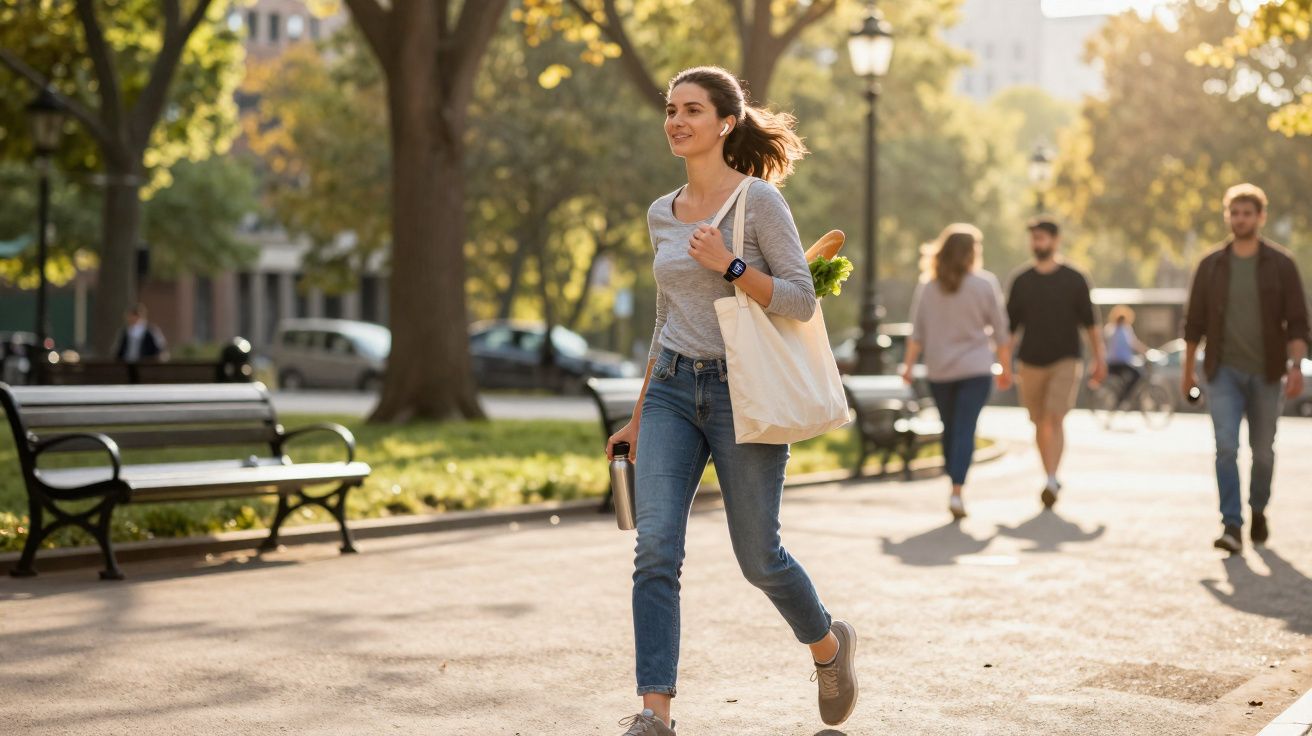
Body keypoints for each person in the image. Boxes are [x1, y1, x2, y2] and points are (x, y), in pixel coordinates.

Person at [605, 66, 856, 735]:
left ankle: (828, 647)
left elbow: (801, 298)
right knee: (655, 547)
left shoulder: (759, 204)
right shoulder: (662, 212)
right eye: (670, 109)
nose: (677, 121)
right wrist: (636, 416)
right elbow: (665, 315)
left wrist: (732, 266)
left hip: (744, 393)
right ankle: (654, 710)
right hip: (671, 391)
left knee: (759, 557)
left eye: (692, 109)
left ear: (724, 123)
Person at [1182, 183, 1309, 553]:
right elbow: (1193, 324)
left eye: (1247, 213)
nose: (1240, 220)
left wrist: (1296, 366)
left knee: (1264, 451)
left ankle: (1258, 509)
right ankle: (1231, 524)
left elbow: (1299, 322)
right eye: (1234, 213)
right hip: (1223, 372)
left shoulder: (1281, 264)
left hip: (1268, 372)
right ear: (1227, 216)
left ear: (1260, 217)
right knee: (1225, 446)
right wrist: (1189, 370)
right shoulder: (1210, 266)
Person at [900, 224, 1012, 520]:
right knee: (963, 429)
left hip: (940, 372)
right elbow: (1001, 332)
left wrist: (908, 368)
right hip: (975, 370)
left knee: (951, 429)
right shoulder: (985, 284)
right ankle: (957, 489)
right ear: (969, 253)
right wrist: (1006, 368)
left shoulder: (927, 287)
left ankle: (954, 484)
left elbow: (917, 333)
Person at [1005, 217, 1107, 509]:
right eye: (1034, 238)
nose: (1037, 243)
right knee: (1038, 422)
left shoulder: (1075, 278)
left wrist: (1099, 359)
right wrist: (1003, 363)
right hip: (1030, 362)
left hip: (1066, 359)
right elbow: (1011, 328)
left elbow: (1091, 324)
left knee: (1054, 416)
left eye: (1042, 238)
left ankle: (1051, 477)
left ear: (1055, 240)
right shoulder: (1021, 281)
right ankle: (1048, 472)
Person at [1105, 305, 1148, 408]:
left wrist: (1144, 350)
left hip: (1119, 361)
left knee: (1134, 373)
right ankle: (1123, 398)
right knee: (1138, 374)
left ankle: (1124, 396)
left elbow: (1133, 344)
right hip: (1117, 362)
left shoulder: (1118, 329)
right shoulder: (1116, 329)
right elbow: (1133, 344)